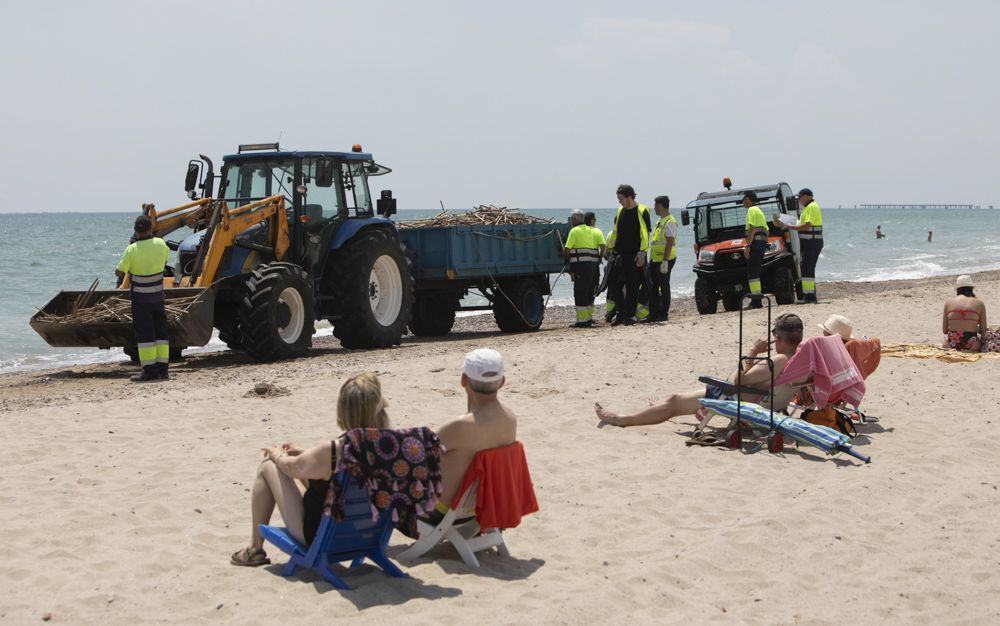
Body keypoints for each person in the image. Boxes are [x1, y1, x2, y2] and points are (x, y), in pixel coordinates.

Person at [230, 372, 390, 567]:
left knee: (268, 467)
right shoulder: (391, 449)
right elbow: (330, 470)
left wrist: (276, 454)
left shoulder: (332, 452)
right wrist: (304, 453)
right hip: (366, 535)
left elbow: (291, 468)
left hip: (324, 537)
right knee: (313, 476)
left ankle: (254, 549)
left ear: (344, 411)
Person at [594, 313, 804, 427]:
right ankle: (657, 408)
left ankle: (623, 419)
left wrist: (753, 352)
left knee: (674, 401)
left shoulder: (778, 360)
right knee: (675, 401)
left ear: (777, 337)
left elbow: (735, 380)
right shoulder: (800, 359)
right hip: (765, 403)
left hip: (737, 400)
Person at [426, 348, 517, 523]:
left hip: (442, 512)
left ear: (463, 379)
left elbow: (419, 453)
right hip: (480, 508)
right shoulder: (510, 419)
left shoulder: (459, 426)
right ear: (502, 382)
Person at [115, 215, 171, 381]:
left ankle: (149, 370)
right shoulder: (162, 245)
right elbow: (164, 260)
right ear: (151, 228)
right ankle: (163, 369)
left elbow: (120, 272)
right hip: (158, 298)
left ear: (135, 231)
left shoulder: (131, 250)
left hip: (141, 300)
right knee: (161, 333)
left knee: (146, 335)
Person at [608, 184, 652, 325]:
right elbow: (615, 231)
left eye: (621, 198)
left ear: (629, 197)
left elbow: (645, 234)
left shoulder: (642, 210)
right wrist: (610, 250)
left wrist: (642, 253)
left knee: (633, 286)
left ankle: (630, 315)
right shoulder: (620, 210)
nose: (619, 201)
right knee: (614, 284)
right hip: (619, 254)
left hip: (634, 255)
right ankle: (620, 313)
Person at [776, 188, 823, 303]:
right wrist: (792, 223)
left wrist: (790, 227)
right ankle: (808, 296)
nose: (799, 199)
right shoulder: (807, 208)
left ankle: (810, 297)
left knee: (808, 268)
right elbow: (802, 224)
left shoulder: (812, 207)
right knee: (806, 269)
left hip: (812, 242)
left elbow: (806, 226)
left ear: (807, 196)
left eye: (800, 197)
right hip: (808, 242)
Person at [563, 209, 602, 328]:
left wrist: (565, 259)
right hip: (591, 265)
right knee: (588, 291)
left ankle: (582, 321)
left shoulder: (574, 231)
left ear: (574, 220)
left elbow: (568, 249)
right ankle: (588, 319)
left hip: (580, 266)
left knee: (580, 292)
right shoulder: (590, 230)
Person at [644, 195, 677, 323]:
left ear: (661, 206)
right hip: (655, 260)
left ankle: (663, 314)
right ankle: (653, 314)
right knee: (653, 287)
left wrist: (665, 262)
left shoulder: (670, 221)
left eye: (655, 205)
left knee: (664, 286)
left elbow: (669, 243)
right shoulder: (660, 221)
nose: (654, 208)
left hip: (665, 259)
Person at [943, 275, 987, 351]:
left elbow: (945, 330)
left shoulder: (948, 303)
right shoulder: (979, 303)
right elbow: (983, 331)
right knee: (981, 341)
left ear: (958, 289)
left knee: (945, 340)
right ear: (971, 288)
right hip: (972, 345)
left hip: (952, 344)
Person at [742, 191, 769, 309]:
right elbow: (767, 231)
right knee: (756, 272)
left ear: (749, 199)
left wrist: (748, 246)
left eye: (744, 198)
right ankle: (757, 300)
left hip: (755, 245)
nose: (743, 201)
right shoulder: (759, 211)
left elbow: (752, 228)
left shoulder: (751, 210)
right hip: (761, 245)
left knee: (752, 273)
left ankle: (756, 301)